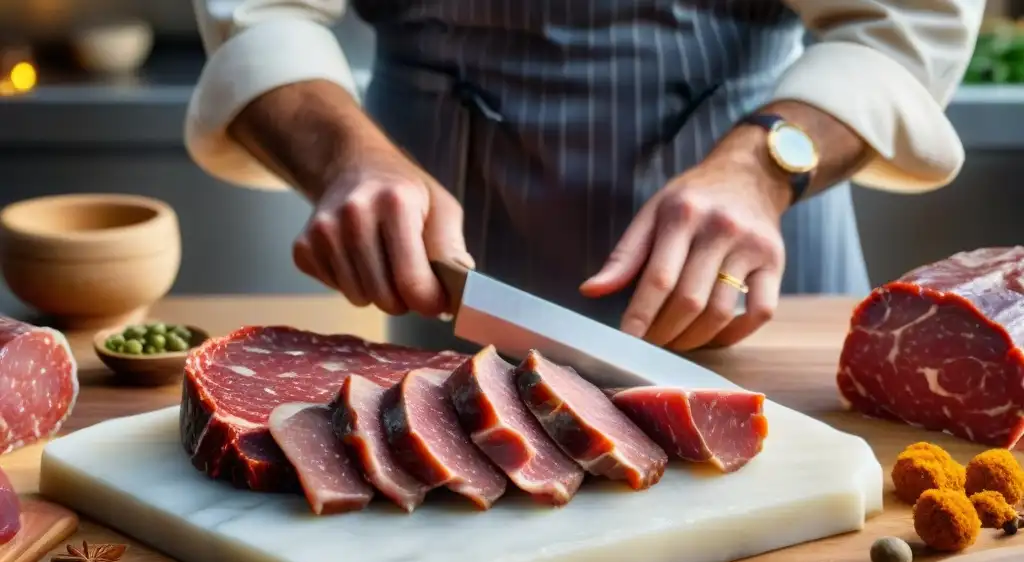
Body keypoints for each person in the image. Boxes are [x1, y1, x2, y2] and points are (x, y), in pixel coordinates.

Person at [187, 0, 982, 353]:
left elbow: (905, 24)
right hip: (447, 277)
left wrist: (763, 166)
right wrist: (347, 158)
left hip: (753, 259)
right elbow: (262, 17)